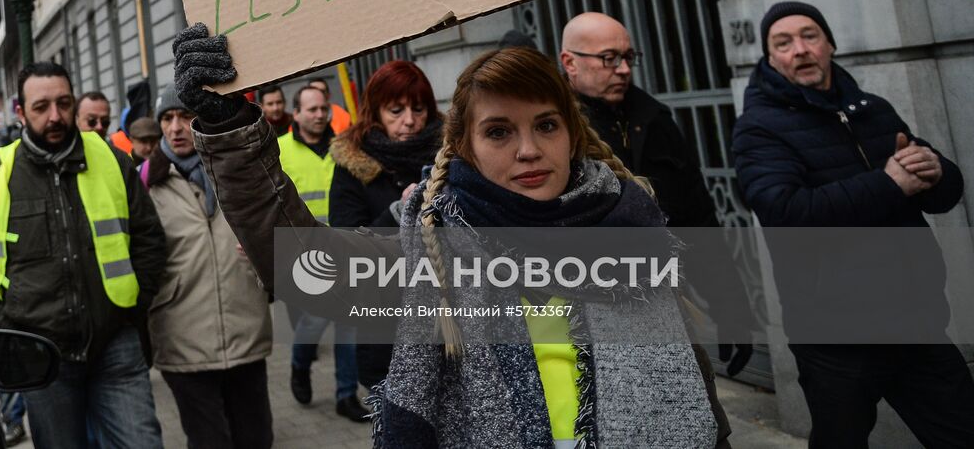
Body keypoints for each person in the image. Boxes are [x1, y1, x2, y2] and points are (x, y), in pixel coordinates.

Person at [172, 24, 730, 448]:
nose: (529, 149)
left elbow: (700, 409)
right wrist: (229, 129)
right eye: (498, 131)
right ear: (463, 145)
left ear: (571, 133)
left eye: (546, 124)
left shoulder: (634, 230)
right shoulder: (433, 256)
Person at [732, 1, 972, 448]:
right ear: (770, 58)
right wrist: (889, 184)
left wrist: (936, 170)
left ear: (830, 44)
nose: (800, 50)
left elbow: (941, 195)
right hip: (836, 334)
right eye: (783, 43)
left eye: (810, 36)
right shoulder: (759, 129)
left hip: (914, 319)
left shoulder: (872, 110)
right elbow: (786, 212)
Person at [0, 61, 167, 449]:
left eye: (64, 103)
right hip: (43, 360)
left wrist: (135, 308)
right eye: (41, 106)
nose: (55, 116)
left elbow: (150, 238)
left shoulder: (112, 162)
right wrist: (8, 328)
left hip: (115, 345)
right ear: (20, 112)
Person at [561, 12, 752, 375]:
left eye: (628, 57)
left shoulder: (654, 118)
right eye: (608, 58)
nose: (622, 69)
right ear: (570, 62)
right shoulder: (555, 130)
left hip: (671, 305)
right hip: (595, 318)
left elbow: (697, 217)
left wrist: (730, 308)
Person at [141, 86, 274, 449]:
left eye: (184, 116)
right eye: (167, 119)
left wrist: (263, 258)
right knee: (209, 441)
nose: (176, 127)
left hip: (245, 327)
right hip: (182, 336)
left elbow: (275, 227)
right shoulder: (144, 183)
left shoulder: (237, 171)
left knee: (257, 438)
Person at [328, 60, 442, 389]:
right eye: (396, 110)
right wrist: (398, 211)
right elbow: (348, 249)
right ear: (376, 112)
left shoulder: (451, 156)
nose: (409, 121)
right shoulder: (353, 166)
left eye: (418, 109)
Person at [280, 84, 366, 420]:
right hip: (305, 254)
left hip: (346, 249)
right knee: (314, 320)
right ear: (296, 113)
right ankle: (300, 365)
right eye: (311, 109)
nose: (319, 115)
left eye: (323, 108)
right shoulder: (279, 150)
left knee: (349, 324)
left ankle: (346, 395)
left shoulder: (344, 148)